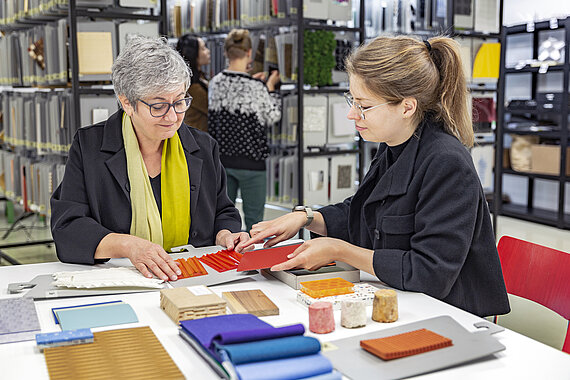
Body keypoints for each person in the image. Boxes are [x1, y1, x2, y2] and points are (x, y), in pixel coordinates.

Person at [237, 35, 510, 318]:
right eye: (352, 101)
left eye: (364, 106)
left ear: (407, 106)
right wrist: (306, 217)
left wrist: (339, 251)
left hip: (449, 316)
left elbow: (429, 273)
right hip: (404, 303)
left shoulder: (447, 163)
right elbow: (364, 213)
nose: (351, 114)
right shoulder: (394, 145)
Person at [51, 35, 249, 282]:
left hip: (194, 279)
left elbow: (223, 210)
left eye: (179, 101)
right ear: (127, 103)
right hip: (124, 281)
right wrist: (128, 245)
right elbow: (67, 228)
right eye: (158, 106)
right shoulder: (89, 147)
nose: (172, 116)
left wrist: (226, 234)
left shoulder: (203, 147)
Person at [208, 29, 281, 232]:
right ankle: (253, 262)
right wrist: (271, 89)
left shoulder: (215, 83)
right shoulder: (256, 86)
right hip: (252, 163)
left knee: (224, 221)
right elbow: (272, 116)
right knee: (255, 223)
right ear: (249, 53)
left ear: (225, 53)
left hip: (222, 162)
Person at [176, 34, 211, 132]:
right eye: (203, 48)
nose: (208, 51)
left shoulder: (199, 78)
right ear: (193, 54)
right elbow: (212, 107)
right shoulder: (192, 88)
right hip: (197, 139)